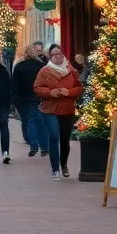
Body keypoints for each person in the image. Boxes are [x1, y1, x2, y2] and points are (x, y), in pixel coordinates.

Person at [34, 44, 84, 180]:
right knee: (54, 136)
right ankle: (55, 169)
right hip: (50, 109)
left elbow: (79, 88)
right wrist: (50, 92)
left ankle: (64, 165)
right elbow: (37, 88)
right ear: (50, 57)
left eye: (60, 54)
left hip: (67, 109)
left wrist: (70, 92)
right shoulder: (45, 71)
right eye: (54, 55)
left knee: (64, 139)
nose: (58, 57)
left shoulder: (71, 70)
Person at [11, 45, 48, 157]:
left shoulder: (19, 66)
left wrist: (15, 98)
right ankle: (45, 147)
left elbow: (14, 83)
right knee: (41, 121)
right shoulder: (40, 66)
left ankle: (33, 145)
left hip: (24, 98)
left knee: (29, 120)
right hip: (39, 96)